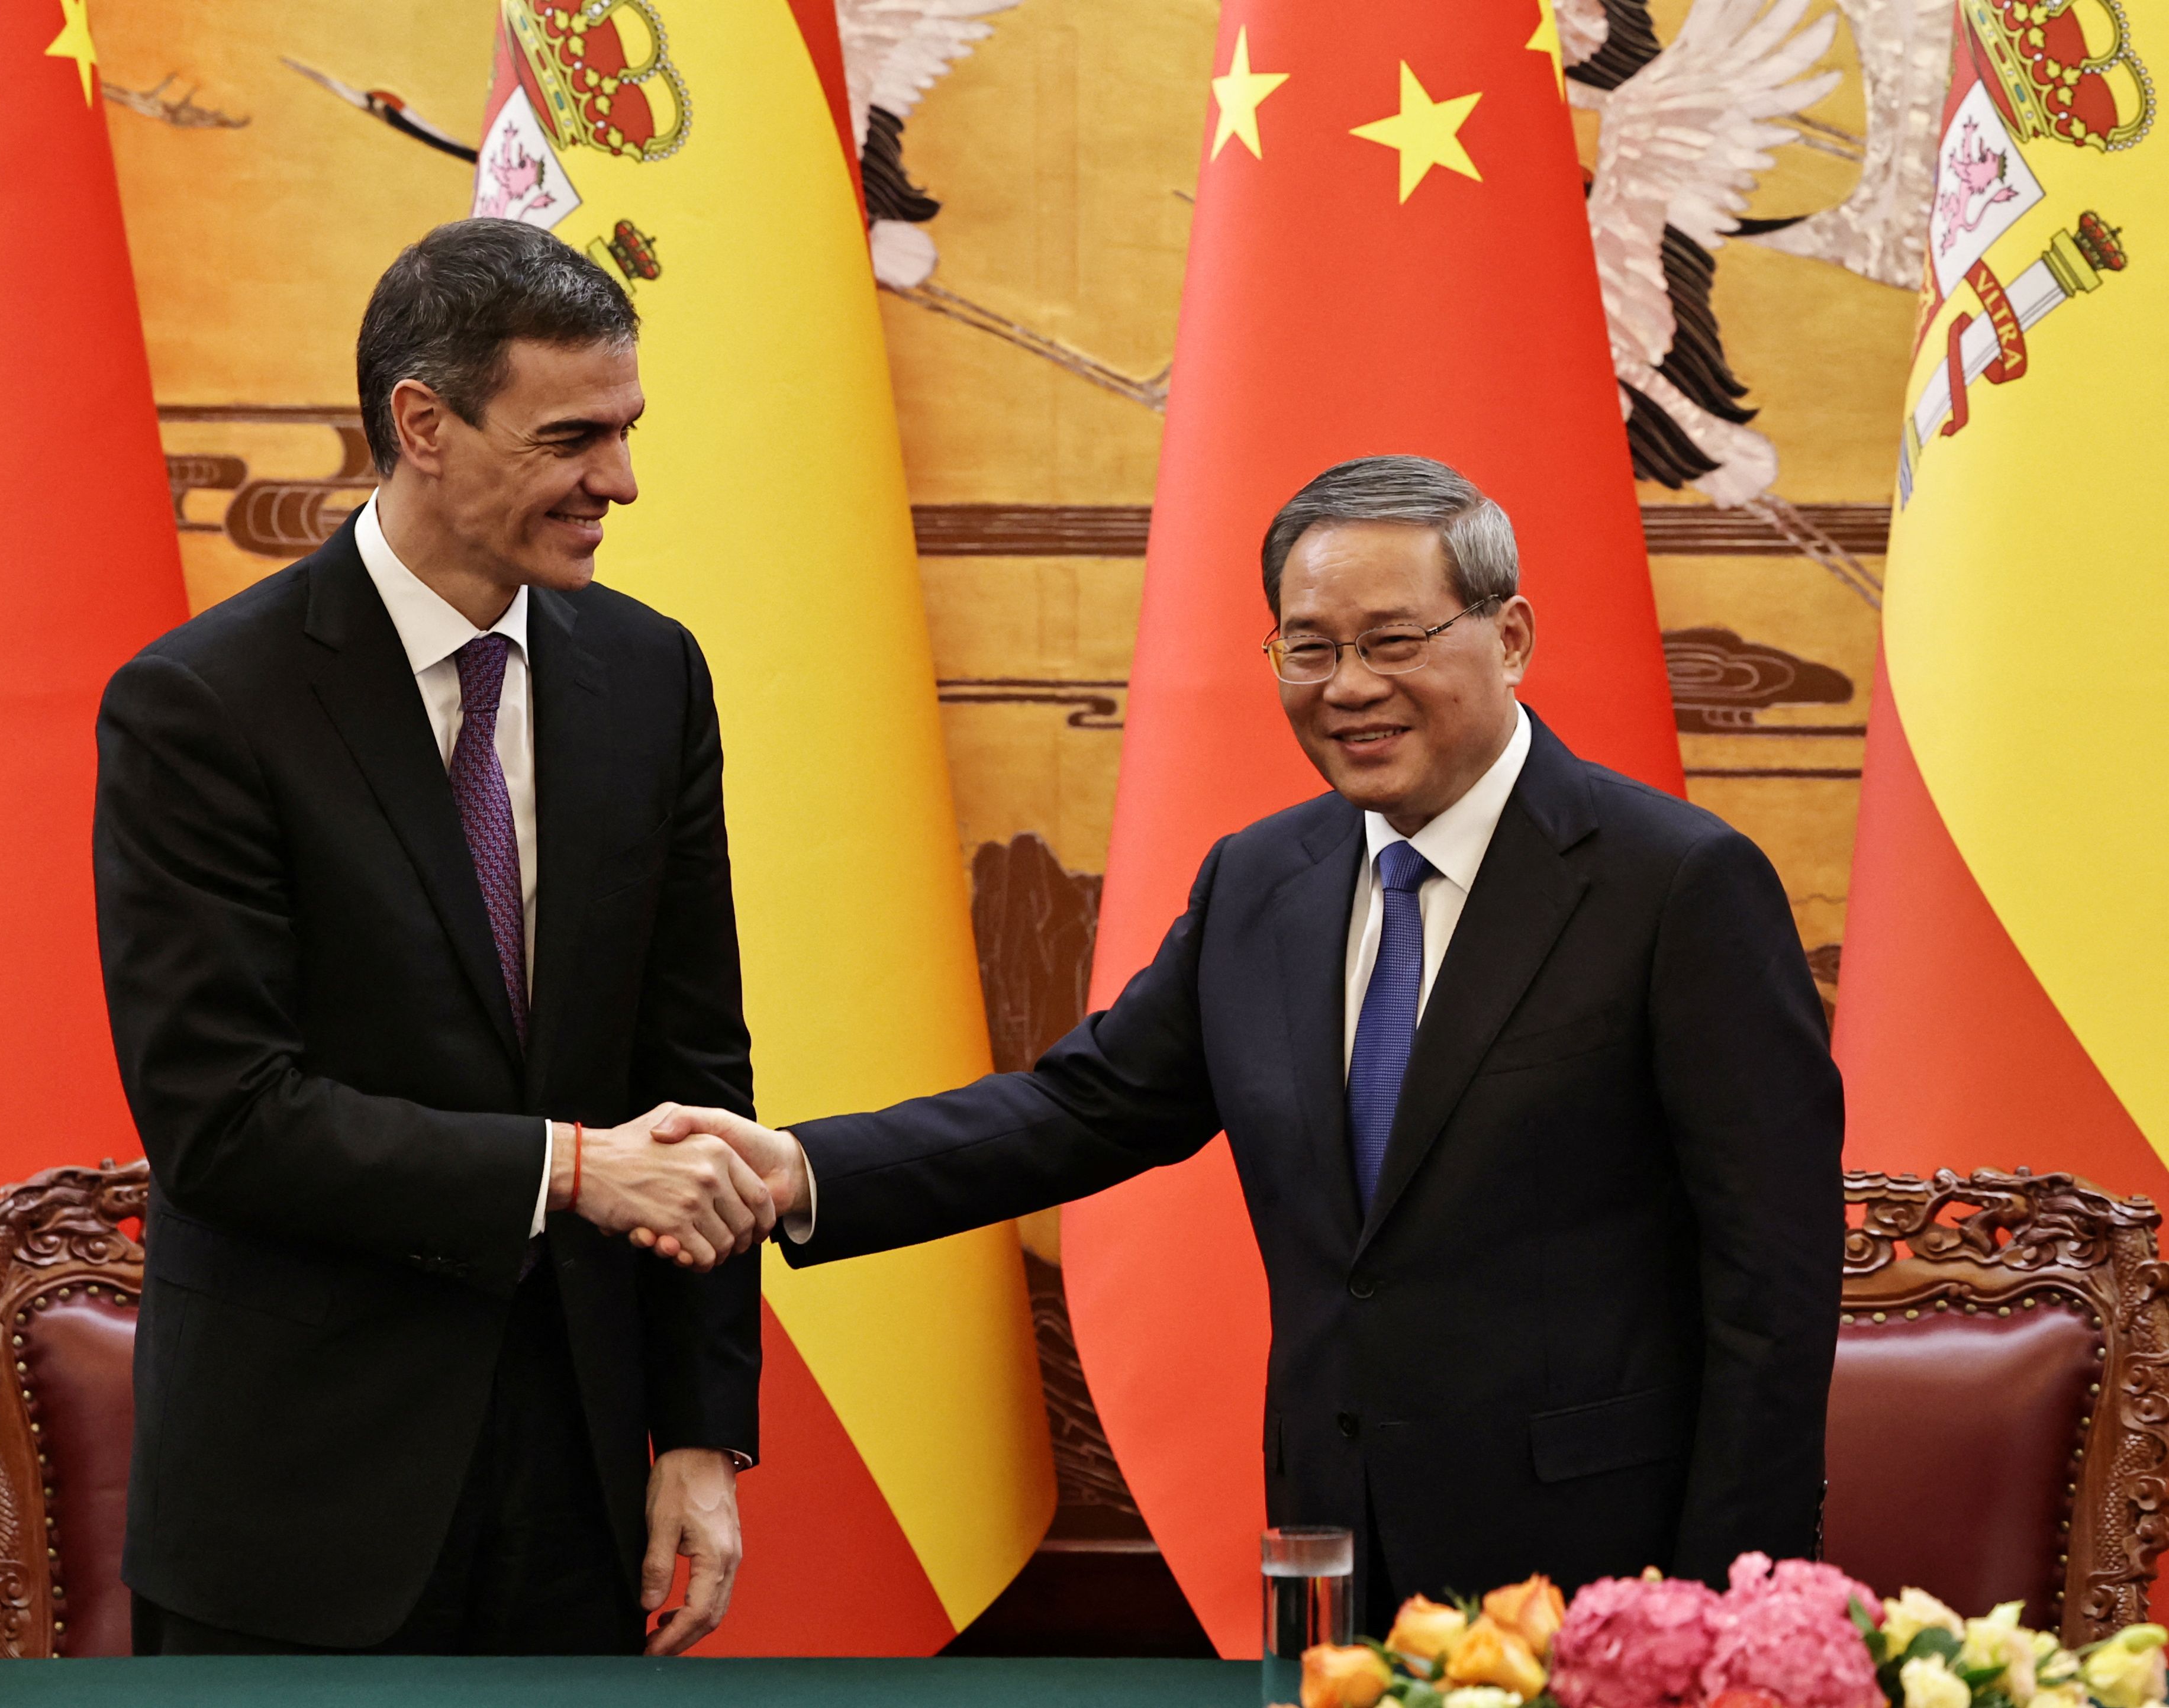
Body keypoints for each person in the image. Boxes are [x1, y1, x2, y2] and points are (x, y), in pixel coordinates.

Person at [655, 455, 1843, 1618]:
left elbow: (1773, 1287)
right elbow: (1085, 1108)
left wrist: (1727, 1613)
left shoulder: (1676, 886)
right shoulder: (1262, 879)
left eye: (1392, 641)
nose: (1348, 686)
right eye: (1309, 648)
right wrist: (796, 1170)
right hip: (1331, 1552)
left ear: (1511, 636)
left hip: (1600, 1574)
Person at [93, 218, 770, 1659]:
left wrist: (702, 1434)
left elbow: (694, 1077)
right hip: (296, 1505)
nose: (619, 481)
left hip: (577, 1494)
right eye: (570, 438)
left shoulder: (649, 675)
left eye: (626, 430)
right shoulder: (205, 706)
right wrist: (566, 1168)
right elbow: (223, 1118)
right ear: (422, 426)